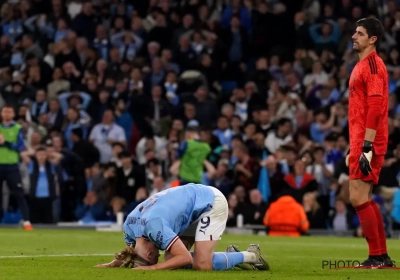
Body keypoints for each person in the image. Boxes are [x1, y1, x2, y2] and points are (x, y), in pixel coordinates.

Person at [95, 183, 269, 271]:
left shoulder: (155, 228)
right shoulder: (130, 225)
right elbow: (131, 250)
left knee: (201, 264)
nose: (158, 254)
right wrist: (112, 265)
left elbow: (185, 257)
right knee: (173, 261)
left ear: (149, 254)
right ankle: (229, 256)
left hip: (210, 202)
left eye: (155, 257)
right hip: (188, 208)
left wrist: (152, 268)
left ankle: (251, 255)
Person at [346, 17, 394, 268]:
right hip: (360, 139)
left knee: (358, 196)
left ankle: (377, 255)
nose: (354, 36)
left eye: (360, 33)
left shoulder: (373, 66)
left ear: (372, 39)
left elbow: (375, 108)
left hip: (369, 141)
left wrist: (366, 146)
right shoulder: (361, 65)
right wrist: (352, 145)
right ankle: (380, 255)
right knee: (363, 195)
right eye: (355, 32)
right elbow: (360, 109)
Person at [0, 105, 32, 230]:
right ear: (1, 114)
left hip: (12, 165)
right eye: (5, 111)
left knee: (19, 193)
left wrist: (5, 143)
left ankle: (27, 221)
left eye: (9, 112)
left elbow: (20, 146)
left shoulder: (18, 128)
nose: (7, 114)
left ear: (13, 114)